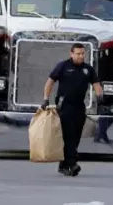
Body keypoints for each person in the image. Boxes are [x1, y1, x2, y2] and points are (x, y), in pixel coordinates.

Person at [40, 43, 103, 177]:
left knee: (76, 136)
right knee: (68, 136)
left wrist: (100, 98)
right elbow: (50, 82)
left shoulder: (88, 69)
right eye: (78, 54)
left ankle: (63, 165)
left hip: (79, 106)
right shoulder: (63, 66)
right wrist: (46, 99)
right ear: (71, 54)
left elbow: (96, 84)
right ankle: (72, 164)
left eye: (82, 54)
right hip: (64, 106)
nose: (81, 56)